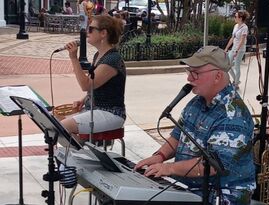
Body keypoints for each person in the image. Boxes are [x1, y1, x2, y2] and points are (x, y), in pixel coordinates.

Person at [134, 46, 256, 205]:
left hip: (222, 195)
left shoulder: (233, 115)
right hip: (189, 188)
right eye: (189, 71)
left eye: (196, 73)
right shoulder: (197, 101)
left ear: (218, 76)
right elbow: (178, 136)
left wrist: (169, 168)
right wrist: (159, 156)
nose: (189, 79)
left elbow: (213, 165)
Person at [61, 15, 126, 145]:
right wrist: (84, 100)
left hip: (110, 112)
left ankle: (85, 155)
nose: (86, 32)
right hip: (95, 108)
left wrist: (74, 58)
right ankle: (81, 153)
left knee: (63, 126)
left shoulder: (112, 59)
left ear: (103, 33)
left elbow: (86, 85)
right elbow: (95, 86)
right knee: (55, 118)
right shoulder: (99, 55)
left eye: (90, 29)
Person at [224, 10, 250, 90]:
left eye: (235, 16)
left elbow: (242, 40)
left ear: (240, 18)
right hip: (234, 48)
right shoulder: (235, 26)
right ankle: (236, 80)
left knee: (237, 66)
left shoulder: (245, 27)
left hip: (240, 49)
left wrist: (236, 51)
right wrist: (226, 48)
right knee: (227, 65)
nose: (234, 18)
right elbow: (232, 38)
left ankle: (235, 84)